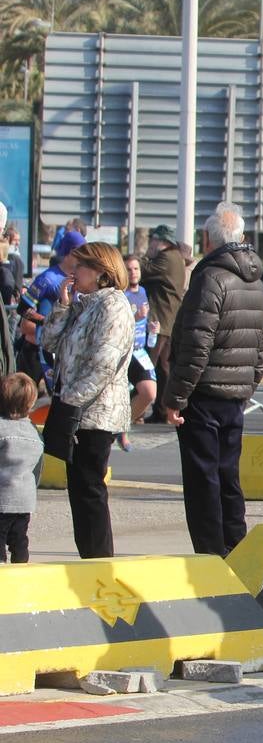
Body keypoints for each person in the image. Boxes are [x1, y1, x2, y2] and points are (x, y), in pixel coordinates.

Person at [163, 204, 263, 558]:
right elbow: (262, 345)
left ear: (207, 239)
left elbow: (195, 344)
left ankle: (210, 555)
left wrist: (176, 398)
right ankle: (236, 549)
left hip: (204, 394)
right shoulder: (254, 281)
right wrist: (247, 386)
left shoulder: (210, 278)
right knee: (227, 476)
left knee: (202, 479)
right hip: (234, 395)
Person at [40, 242, 135, 559]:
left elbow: (102, 366)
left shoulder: (113, 306)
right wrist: (64, 305)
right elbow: (50, 342)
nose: (73, 272)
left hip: (95, 414)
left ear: (100, 272)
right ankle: (90, 559)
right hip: (76, 410)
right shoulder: (85, 304)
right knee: (79, 490)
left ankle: (98, 561)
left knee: (90, 489)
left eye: (80, 266)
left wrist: (70, 402)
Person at [17, 229, 85, 390]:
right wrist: (47, 321)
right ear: (71, 252)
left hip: (66, 352)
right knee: (24, 403)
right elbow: (23, 308)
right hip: (37, 352)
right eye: (82, 252)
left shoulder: (84, 279)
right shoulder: (48, 279)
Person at [140, 224, 186, 421]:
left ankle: (139, 409)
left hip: (160, 319)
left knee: (146, 364)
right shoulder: (177, 257)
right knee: (163, 368)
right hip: (169, 319)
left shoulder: (166, 258)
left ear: (160, 241)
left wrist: (144, 256)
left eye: (153, 241)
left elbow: (143, 270)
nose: (151, 244)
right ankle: (161, 410)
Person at [0, 372, 43, 563]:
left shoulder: (1, 427)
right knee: (19, 539)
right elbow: (37, 468)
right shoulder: (33, 430)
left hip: (2, 497)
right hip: (25, 499)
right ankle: (21, 567)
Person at [118, 254, 159, 451]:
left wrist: (152, 331)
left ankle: (123, 427)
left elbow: (145, 324)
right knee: (125, 393)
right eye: (128, 269)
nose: (133, 273)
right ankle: (119, 431)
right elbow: (118, 326)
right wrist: (135, 317)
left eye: (136, 269)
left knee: (150, 392)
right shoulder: (120, 295)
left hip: (140, 351)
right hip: (124, 352)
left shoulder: (143, 292)